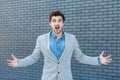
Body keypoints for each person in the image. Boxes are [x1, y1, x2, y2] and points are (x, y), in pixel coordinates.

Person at [7, 11, 112, 80]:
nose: (57, 23)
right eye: (54, 21)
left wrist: (98, 60)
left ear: (63, 23)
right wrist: (19, 63)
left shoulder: (72, 39)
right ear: (50, 23)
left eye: (59, 21)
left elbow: (81, 57)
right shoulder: (41, 39)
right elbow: (34, 58)